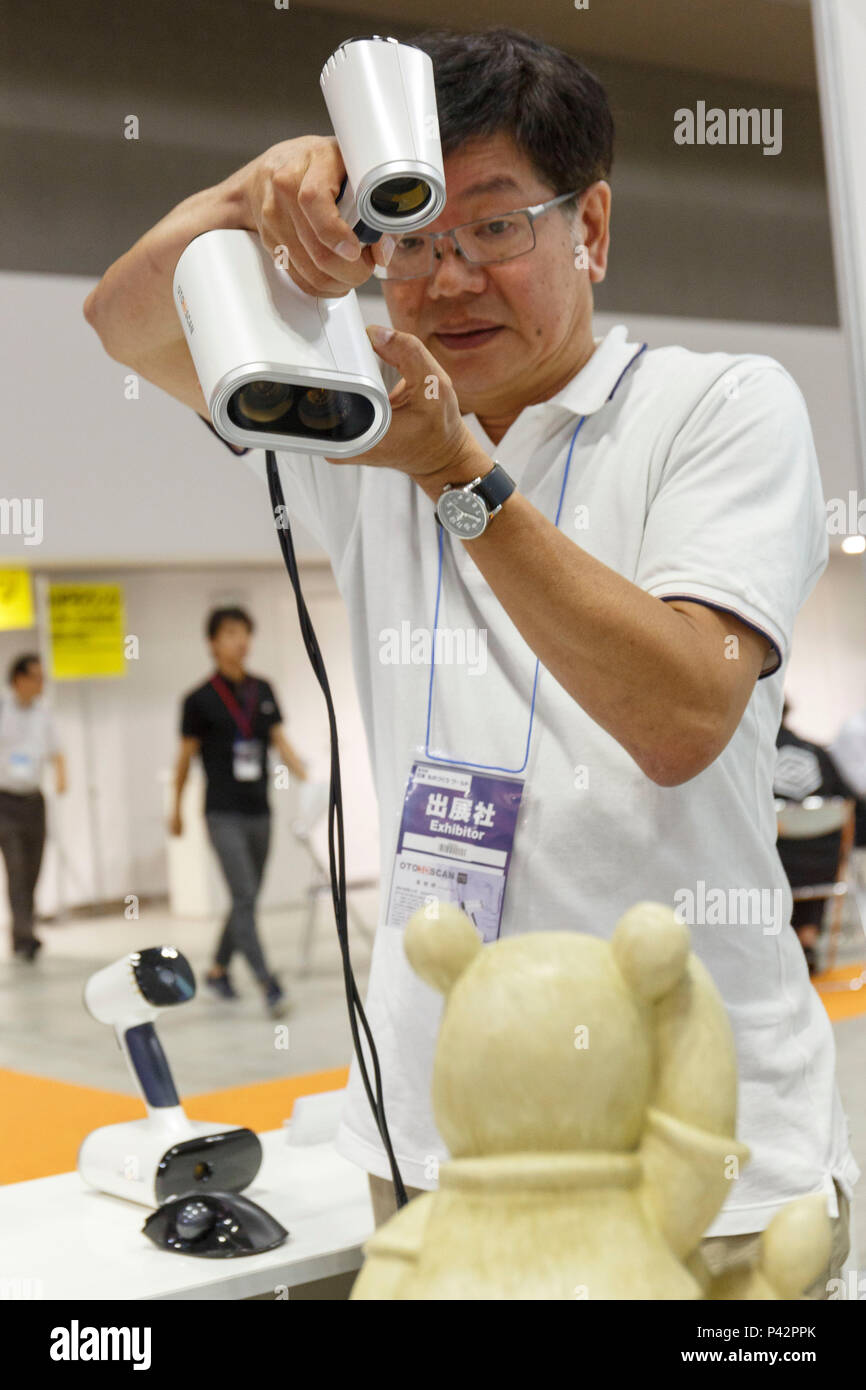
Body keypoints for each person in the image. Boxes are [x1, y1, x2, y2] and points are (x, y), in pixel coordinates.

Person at [83, 26, 856, 1294]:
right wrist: (249, 199)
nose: (446, 283)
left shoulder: (716, 407)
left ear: (589, 225)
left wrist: (457, 473)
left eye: (493, 228)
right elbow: (123, 321)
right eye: (410, 237)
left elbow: (678, 713)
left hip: (695, 1155)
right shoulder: (362, 420)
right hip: (439, 1152)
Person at [171, 607, 308, 1017]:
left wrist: (313, 779)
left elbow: (280, 742)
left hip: (259, 810)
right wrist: (175, 810)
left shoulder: (262, 690)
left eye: (245, 632)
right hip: (222, 813)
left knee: (244, 898)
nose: (240, 641)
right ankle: (268, 983)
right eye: (230, 633)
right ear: (213, 643)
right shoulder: (198, 700)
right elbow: (183, 760)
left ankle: (217, 970)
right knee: (245, 895)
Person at [774, 699, 860, 973]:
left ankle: (785, 944)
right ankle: (807, 938)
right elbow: (848, 803)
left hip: (777, 869)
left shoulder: (754, 759)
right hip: (825, 867)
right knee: (817, 851)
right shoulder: (818, 753)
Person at [0, 654, 66, 960]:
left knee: (33, 867)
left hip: (34, 800)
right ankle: (24, 935)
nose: (41, 683)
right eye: (35, 677)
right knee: (16, 868)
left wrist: (62, 776)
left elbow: (57, 750)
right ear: (18, 680)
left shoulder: (44, 713)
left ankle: (24, 929)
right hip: (5, 801)